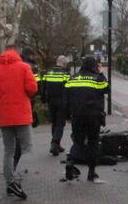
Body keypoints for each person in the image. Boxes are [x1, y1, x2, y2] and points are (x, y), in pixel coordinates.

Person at [0, 45, 38, 199]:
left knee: (9, 151)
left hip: (4, 115)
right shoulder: (24, 67)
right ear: (17, 53)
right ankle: (16, 180)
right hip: (22, 115)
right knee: (27, 149)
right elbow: (32, 88)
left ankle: (9, 183)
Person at [64, 55, 110, 183]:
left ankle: (70, 161)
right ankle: (91, 173)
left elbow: (66, 99)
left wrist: (68, 116)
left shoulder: (72, 78)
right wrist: (101, 73)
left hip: (77, 116)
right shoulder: (97, 78)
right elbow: (107, 89)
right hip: (93, 117)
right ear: (94, 66)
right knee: (93, 143)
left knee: (78, 141)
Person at [39, 55, 71, 155]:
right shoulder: (66, 74)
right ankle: (55, 142)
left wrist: (44, 101)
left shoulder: (48, 73)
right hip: (62, 101)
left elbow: (43, 89)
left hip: (51, 101)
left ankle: (57, 145)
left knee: (54, 123)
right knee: (60, 124)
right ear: (64, 64)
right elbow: (69, 89)